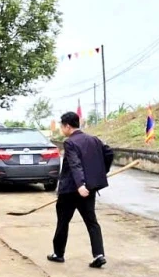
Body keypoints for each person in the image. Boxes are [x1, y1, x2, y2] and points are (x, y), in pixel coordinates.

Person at [48, 111, 114, 268]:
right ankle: (99, 254)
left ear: (68, 126)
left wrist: (80, 185)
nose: (62, 129)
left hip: (71, 190)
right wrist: (100, 173)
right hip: (88, 189)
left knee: (63, 222)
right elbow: (109, 153)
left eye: (62, 126)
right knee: (92, 222)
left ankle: (58, 254)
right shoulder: (94, 139)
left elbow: (75, 164)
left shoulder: (70, 142)